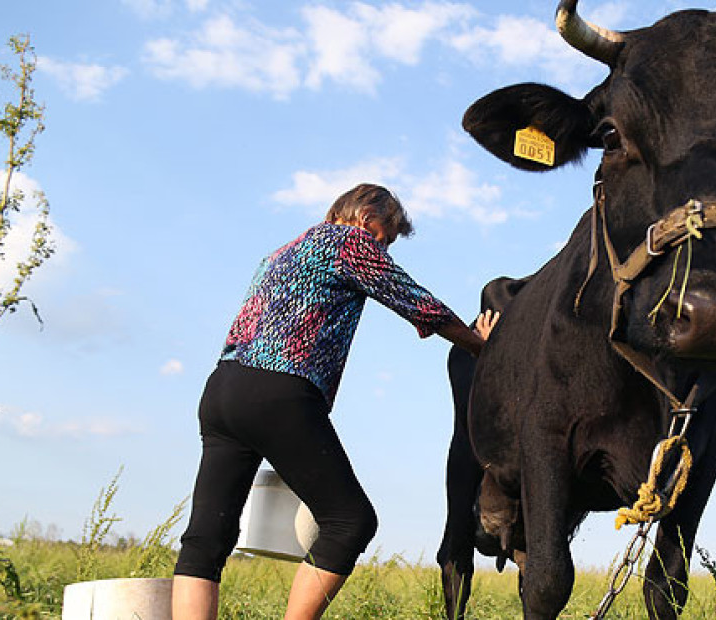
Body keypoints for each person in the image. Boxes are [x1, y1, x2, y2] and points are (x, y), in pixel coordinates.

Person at [171, 183, 499, 619]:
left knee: (205, 539)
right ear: (365, 216)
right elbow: (419, 305)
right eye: (384, 238)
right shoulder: (349, 241)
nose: (382, 250)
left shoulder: (282, 251)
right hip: (280, 390)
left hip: (222, 391)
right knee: (350, 522)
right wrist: (480, 344)